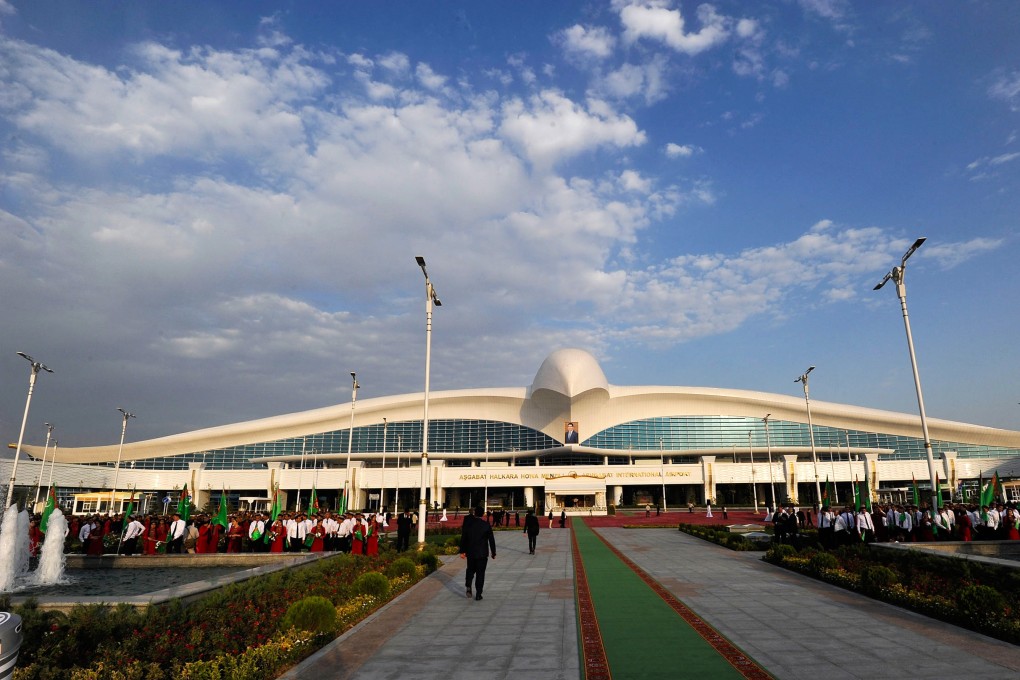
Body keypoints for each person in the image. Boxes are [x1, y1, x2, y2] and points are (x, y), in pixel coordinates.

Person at [459, 506, 496, 601]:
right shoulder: (486, 525)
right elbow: (491, 540)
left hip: (471, 552)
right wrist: (493, 552)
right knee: (480, 573)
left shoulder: (468, 525)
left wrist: (462, 551)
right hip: (482, 553)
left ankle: (468, 584)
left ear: (474, 513)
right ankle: (478, 593)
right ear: (483, 514)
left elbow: (464, 538)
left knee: (470, 569)